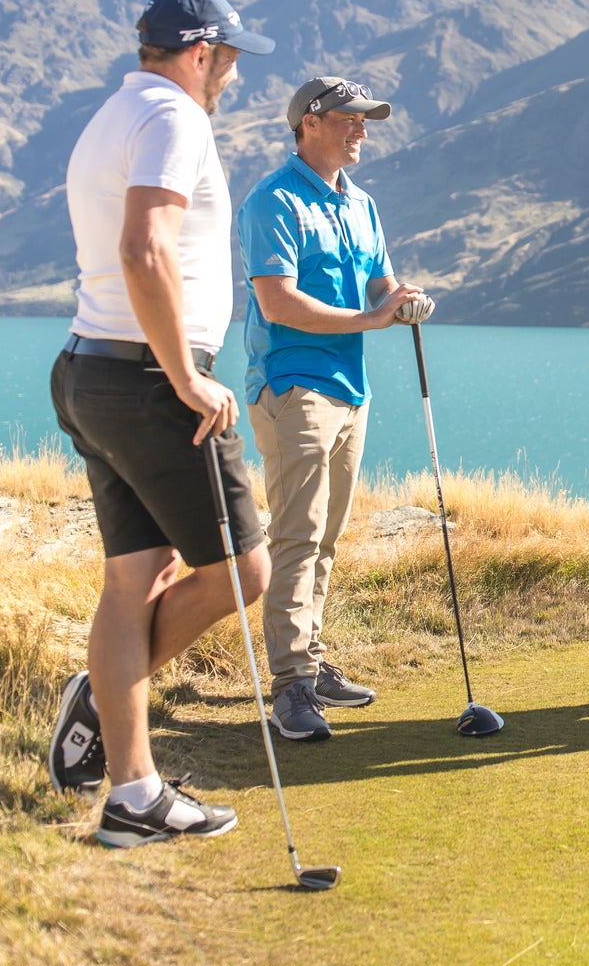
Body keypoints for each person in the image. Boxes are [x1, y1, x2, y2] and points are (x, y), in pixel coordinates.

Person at [47, 0, 276, 847]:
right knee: (242, 572)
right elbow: (144, 246)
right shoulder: (176, 117)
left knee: (133, 580)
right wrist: (185, 375)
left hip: (91, 370)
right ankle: (111, 705)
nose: (232, 78)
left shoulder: (112, 112)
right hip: (150, 383)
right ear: (200, 52)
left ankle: (132, 793)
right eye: (229, 60)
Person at [237, 76, 431, 741]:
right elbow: (278, 303)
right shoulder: (275, 200)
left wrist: (401, 301)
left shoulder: (362, 203)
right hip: (292, 385)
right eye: (350, 117)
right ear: (310, 122)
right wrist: (371, 319)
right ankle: (289, 685)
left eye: (366, 119)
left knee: (327, 535)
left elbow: (379, 283)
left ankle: (311, 661)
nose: (362, 128)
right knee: (297, 534)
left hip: (350, 387)